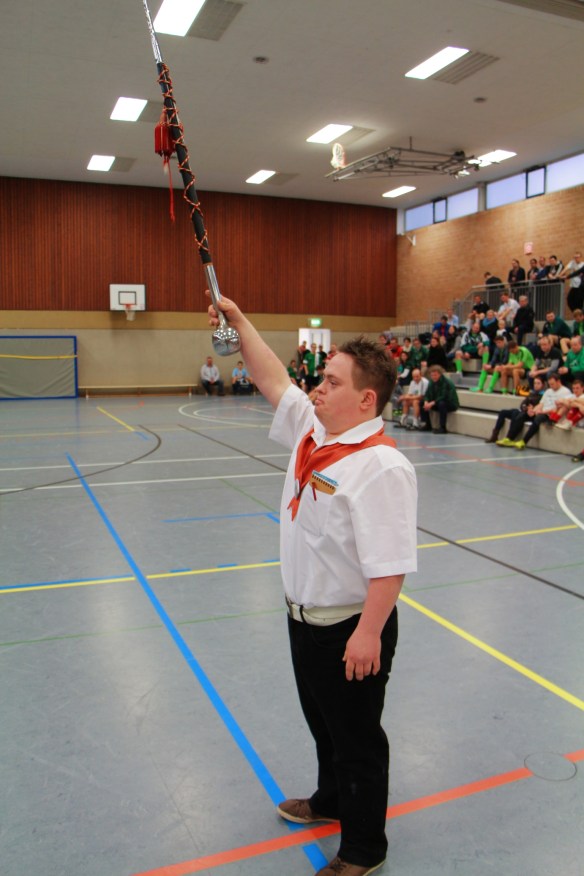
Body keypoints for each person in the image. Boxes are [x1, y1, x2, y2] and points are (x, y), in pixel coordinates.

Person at [207, 292, 417, 876]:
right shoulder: (316, 432)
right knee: (323, 724)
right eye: (321, 379)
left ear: (366, 399)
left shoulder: (380, 466)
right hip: (304, 620)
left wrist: (368, 634)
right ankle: (330, 801)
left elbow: (390, 563)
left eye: (331, 382)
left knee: (357, 741)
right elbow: (273, 378)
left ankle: (364, 850)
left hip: (350, 628)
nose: (317, 389)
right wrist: (239, 322)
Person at [507, 372, 572, 450]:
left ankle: (524, 441)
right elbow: (541, 404)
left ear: (558, 381)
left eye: (552, 384)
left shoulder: (566, 392)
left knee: (538, 418)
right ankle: (509, 438)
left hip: (550, 415)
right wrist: (533, 411)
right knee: (523, 414)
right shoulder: (548, 391)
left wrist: (542, 412)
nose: (551, 386)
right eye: (550, 384)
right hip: (542, 412)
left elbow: (557, 409)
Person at [485, 377, 545, 444]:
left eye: (538, 383)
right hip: (523, 410)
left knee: (515, 414)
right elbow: (523, 403)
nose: (536, 385)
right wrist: (526, 408)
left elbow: (538, 406)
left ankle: (509, 438)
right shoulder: (532, 393)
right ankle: (495, 435)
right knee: (502, 412)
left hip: (530, 414)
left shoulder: (544, 395)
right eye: (535, 383)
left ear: (543, 385)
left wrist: (530, 409)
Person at [422, 365, 459, 434]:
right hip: (437, 402)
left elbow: (443, 396)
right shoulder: (431, 382)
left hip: (450, 403)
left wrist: (432, 403)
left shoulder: (446, 382)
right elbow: (427, 393)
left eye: (435, 375)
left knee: (441, 404)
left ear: (440, 374)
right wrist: (426, 401)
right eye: (432, 375)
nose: (433, 377)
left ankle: (443, 427)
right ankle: (428, 424)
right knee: (422, 403)